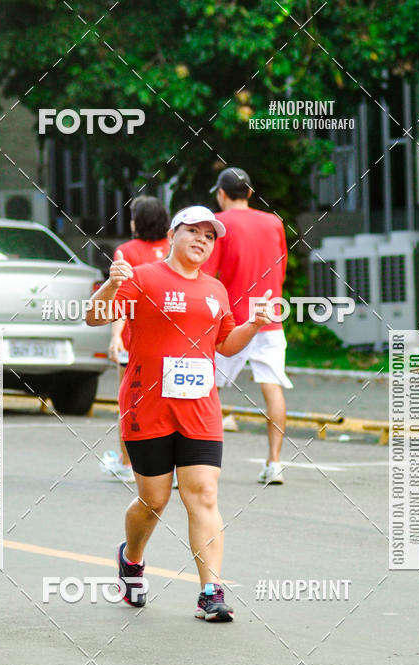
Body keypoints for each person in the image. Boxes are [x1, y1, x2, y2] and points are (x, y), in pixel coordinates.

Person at [86, 205, 273, 622]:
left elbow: (225, 344)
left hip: (200, 410)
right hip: (146, 405)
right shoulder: (144, 277)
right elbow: (95, 316)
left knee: (204, 493)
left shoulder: (216, 289)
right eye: (194, 231)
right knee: (153, 501)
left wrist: (255, 325)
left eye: (210, 235)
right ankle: (131, 560)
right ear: (173, 234)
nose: (202, 240)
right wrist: (110, 287)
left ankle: (211, 592)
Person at [202, 166, 293, 485]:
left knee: (204, 390)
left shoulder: (218, 223)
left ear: (222, 194)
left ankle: (199, 465)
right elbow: (281, 268)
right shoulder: (274, 222)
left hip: (232, 321)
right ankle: (275, 463)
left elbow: (207, 275)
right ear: (251, 193)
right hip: (269, 315)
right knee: (273, 388)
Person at [104, 196, 170, 483]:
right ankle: (174, 465)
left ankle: (127, 463)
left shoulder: (126, 252)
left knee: (130, 403)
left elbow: (123, 299)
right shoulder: (174, 248)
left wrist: (116, 335)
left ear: (136, 222)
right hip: (174, 342)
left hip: (137, 342)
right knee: (170, 404)